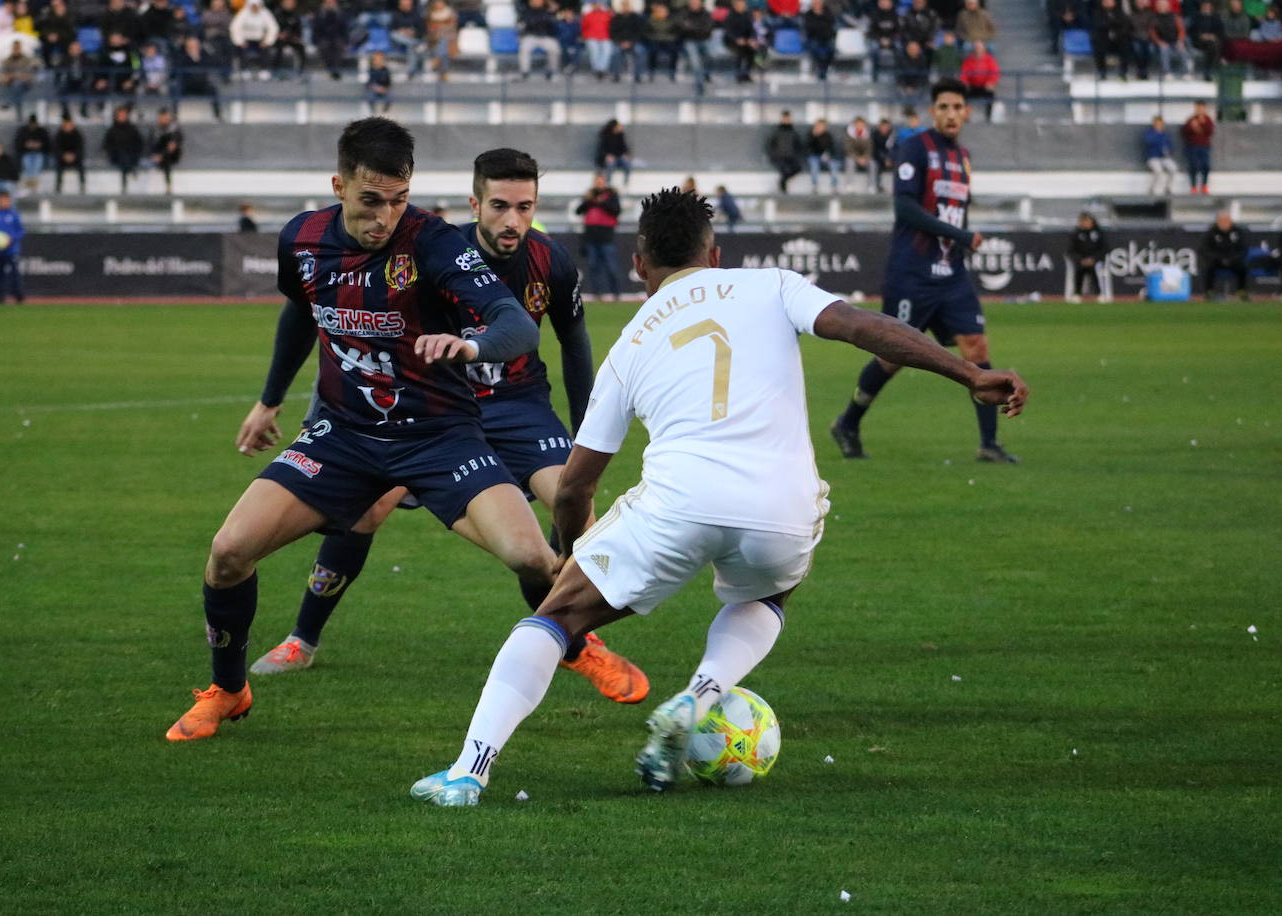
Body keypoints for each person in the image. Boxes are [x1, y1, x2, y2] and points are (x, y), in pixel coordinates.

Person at [408, 187, 1029, 806]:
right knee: (769, 592)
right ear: (716, 253)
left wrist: (575, 557)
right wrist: (970, 373)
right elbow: (868, 328)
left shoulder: (630, 343)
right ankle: (700, 696)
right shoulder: (773, 286)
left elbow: (574, 485)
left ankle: (469, 770)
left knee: (555, 619)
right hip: (782, 509)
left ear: (638, 264)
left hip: (678, 503)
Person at [163, 119, 602, 742]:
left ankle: (576, 645)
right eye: (371, 201)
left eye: (399, 199)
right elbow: (301, 314)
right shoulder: (304, 239)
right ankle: (229, 690)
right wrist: (268, 402)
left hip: (439, 434)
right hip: (344, 435)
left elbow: (519, 326)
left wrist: (471, 343)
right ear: (339, 186)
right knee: (229, 553)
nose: (386, 217)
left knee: (534, 556)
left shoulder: (434, 242)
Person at [248, 148, 647, 706]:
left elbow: (574, 345)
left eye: (525, 207)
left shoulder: (551, 261)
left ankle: (573, 635)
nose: (513, 221)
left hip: (518, 404)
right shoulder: (435, 247)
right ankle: (302, 637)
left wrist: (583, 434)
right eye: (500, 206)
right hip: (433, 406)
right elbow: (353, 333)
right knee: (367, 511)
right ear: (475, 203)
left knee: (574, 504)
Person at [832, 78, 1019, 464]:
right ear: (934, 111)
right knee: (893, 356)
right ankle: (847, 423)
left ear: (966, 112)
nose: (951, 114)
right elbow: (905, 209)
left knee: (977, 348)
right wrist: (961, 234)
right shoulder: (914, 148)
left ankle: (989, 443)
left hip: (951, 275)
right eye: (944, 107)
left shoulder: (963, 156)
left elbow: (957, 210)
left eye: (958, 107)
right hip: (912, 273)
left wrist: (958, 246)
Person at [576, 172, 621, 301]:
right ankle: (597, 294)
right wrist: (590, 201)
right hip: (591, 237)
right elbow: (579, 211)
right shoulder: (589, 196)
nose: (599, 184)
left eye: (601, 181)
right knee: (594, 268)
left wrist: (601, 202)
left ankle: (615, 294)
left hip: (606, 236)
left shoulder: (611, 195)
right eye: (597, 181)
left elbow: (616, 210)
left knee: (611, 267)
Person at [1199, 210, 1251, 299]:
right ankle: (1209, 291)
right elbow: (1204, 250)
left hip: (1234, 261)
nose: (1224, 223)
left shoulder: (1238, 232)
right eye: (1222, 221)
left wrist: (1233, 259)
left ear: (1231, 221)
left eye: (1226, 221)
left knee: (1243, 268)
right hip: (1216, 261)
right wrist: (1218, 258)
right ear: (1217, 221)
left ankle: (1242, 291)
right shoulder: (1211, 233)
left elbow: (1243, 249)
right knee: (1208, 268)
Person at [0, 190, 25, 305]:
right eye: (1, 200)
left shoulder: (14, 215)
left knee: (14, 274)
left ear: (10, 201)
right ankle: (0, 297)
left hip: (12, 250)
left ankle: (18, 296)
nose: (3, 202)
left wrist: (12, 238)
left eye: (5, 200)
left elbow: (20, 231)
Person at [173, 36, 223, 120]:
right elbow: (178, 69)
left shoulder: (204, 56)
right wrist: (191, 58)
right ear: (187, 47)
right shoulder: (183, 58)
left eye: (195, 46)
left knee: (213, 89)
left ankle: (218, 115)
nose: (193, 48)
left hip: (202, 84)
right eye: (190, 46)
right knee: (175, 89)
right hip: (187, 85)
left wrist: (198, 58)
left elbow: (216, 63)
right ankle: (174, 115)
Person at [231, 0, 279, 78]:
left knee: (267, 49)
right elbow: (235, 27)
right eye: (253, 5)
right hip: (246, 40)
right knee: (240, 50)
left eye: (257, 5)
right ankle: (244, 69)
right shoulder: (243, 13)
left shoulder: (265, 13)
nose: (255, 8)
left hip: (260, 40)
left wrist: (267, 41)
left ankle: (264, 70)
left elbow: (273, 28)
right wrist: (240, 41)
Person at [1067, 212, 1109, 301]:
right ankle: (1077, 293)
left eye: (1087, 221)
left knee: (1095, 271)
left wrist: (1094, 259)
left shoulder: (1098, 233)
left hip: (1095, 261)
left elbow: (1104, 249)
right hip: (1080, 261)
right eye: (1083, 221)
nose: (1085, 223)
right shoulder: (1076, 234)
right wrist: (1080, 259)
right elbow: (1071, 250)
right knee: (1079, 271)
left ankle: (1100, 294)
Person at [102, 105, 144, 193]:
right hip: (116, 156)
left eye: (124, 115)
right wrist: (112, 150)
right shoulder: (112, 130)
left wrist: (135, 150)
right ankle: (131, 171)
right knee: (122, 155)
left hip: (131, 155)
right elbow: (106, 144)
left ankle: (124, 185)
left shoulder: (132, 129)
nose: (122, 117)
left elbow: (139, 143)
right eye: (120, 115)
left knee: (126, 156)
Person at [0, 40, 39, 120]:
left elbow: (29, 75)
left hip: (26, 85)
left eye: (18, 48)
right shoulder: (7, 60)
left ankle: (9, 101)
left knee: (17, 83)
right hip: (11, 85)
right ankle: (16, 109)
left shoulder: (27, 60)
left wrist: (15, 76)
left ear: (20, 48)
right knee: (15, 84)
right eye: (14, 48)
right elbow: (2, 76)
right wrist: (13, 76)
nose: (16, 50)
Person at [679, 0, 715, 90]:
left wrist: (693, 27)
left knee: (710, 55)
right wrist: (698, 28)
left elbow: (708, 28)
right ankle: (699, 83)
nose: (694, 4)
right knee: (695, 62)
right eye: (692, 2)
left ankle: (706, 75)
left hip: (704, 40)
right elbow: (683, 27)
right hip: (690, 41)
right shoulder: (684, 14)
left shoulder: (706, 14)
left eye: (696, 2)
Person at [519, 0, 561, 79]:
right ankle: (525, 72)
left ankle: (552, 71)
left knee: (554, 49)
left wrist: (548, 3)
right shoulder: (526, 11)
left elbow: (555, 8)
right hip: (531, 36)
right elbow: (523, 24)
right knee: (524, 48)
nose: (537, 2)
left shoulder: (547, 11)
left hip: (545, 36)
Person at [1092, 0, 1133, 80]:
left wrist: (1111, 24)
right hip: (1103, 39)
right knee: (1098, 47)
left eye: (1110, 1)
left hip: (1118, 39)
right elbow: (1099, 25)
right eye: (1106, 1)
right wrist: (1113, 24)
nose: (1108, 3)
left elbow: (1125, 25)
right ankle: (1102, 72)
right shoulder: (1098, 12)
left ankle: (1123, 72)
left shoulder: (1120, 12)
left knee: (1125, 45)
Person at [767, 110, 805, 194]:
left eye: (788, 118)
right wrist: (774, 155)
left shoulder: (793, 132)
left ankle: (783, 182)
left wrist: (796, 155)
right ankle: (783, 187)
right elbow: (771, 145)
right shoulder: (777, 132)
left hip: (791, 156)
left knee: (797, 168)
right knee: (784, 170)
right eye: (785, 118)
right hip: (779, 157)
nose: (786, 120)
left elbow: (798, 145)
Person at [609, 0, 648, 83]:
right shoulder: (616, 18)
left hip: (633, 42)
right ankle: (616, 75)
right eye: (624, 6)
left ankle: (638, 75)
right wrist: (620, 42)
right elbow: (612, 32)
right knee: (615, 53)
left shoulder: (636, 18)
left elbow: (640, 32)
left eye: (627, 6)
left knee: (640, 51)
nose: (626, 7)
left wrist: (631, 42)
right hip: (619, 42)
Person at [960, 39, 999, 121]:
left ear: (984, 48)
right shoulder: (968, 60)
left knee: (990, 94)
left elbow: (994, 73)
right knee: (963, 94)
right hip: (972, 86)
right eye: (976, 47)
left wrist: (991, 82)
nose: (978, 49)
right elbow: (964, 74)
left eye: (980, 47)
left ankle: (988, 117)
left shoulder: (990, 60)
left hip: (985, 86)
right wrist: (965, 83)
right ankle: (966, 117)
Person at [13, 115, 50, 197]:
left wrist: (40, 145)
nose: (33, 126)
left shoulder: (42, 131)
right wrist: (26, 145)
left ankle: (30, 187)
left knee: (36, 165)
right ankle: (33, 187)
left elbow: (48, 145)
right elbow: (18, 144)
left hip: (39, 153)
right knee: (28, 165)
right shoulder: (23, 131)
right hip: (26, 153)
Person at [1181, 100, 1214, 194]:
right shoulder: (1191, 119)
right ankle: (1193, 187)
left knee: (1206, 166)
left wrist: (1201, 124)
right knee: (1193, 166)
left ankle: (1204, 185)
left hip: (1204, 146)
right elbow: (1184, 132)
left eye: (1201, 107)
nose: (1199, 109)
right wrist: (1192, 127)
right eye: (1198, 107)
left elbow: (1210, 131)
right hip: (1193, 146)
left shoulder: (1207, 119)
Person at [722, 0, 758, 83]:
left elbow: (752, 29)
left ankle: (746, 73)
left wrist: (752, 39)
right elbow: (728, 32)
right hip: (732, 41)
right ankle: (738, 74)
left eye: (744, 4)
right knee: (740, 51)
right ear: (735, 5)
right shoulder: (730, 16)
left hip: (745, 40)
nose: (743, 6)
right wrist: (736, 39)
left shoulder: (748, 15)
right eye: (740, 4)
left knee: (752, 50)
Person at [148, 107, 183, 194]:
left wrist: (161, 154)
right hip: (159, 153)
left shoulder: (174, 129)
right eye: (161, 118)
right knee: (163, 156)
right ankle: (168, 186)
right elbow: (151, 143)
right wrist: (154, 154)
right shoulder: (155, 129)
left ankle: (168, 186)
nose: (163, 120)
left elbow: (176, 142)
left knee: (167, 156)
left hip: (172, 154)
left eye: (165, 118)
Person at [801, 0, 837, 80]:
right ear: (813, 4)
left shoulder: (828, 13)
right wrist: (821, 26)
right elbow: (809, 28)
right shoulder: (808, 14)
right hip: (814, 38)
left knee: (832, 48)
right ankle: (821, 68)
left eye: (819, 3)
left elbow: (831, 26)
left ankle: (824, 67)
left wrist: (820, 26)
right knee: (814, 48)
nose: (818, 5)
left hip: (826, 37)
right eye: (816, 3)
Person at [644, 2, 681, 81]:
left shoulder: (672, 21)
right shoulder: (650, 21)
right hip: (655, 40)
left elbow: (676, 33)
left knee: (674, 51)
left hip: (668, 41)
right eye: (659, 11)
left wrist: (670, 38)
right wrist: (654, 37)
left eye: (664, 11)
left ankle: (672, 72)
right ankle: (651, 71)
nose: (662, 13)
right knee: (652, 51)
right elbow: (647, 33)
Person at [313, 0, 349, 80]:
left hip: (337, 38)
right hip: (323, 38)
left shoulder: (340, 14)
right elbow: (316, 29)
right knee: (324, 46)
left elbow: (344, 29)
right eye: (328, 3)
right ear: (324, 4)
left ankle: (335, 70)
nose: (330, 5)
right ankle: (331, 69)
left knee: (339, 45)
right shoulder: (319, 14)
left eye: (332, 3)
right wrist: (315, 41)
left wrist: (346, 42)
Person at [868, 0, 902, 82]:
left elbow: (898, 31)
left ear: (891, 4)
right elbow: (871, 31)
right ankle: (874, 74)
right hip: (878, 39)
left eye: (887, 2)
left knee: (899, 47)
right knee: (873, 47)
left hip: (892, 40)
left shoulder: (896, 15)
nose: (885, 4)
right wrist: (880, 39)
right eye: (882, 2)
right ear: (879, 3)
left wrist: (890, 40)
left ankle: (897, 74)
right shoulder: (874, 14)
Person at [1143, 114, 1177, 195]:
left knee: (1173, 168)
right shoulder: (1149, 133)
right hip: (1153, 157)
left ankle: (1167, 188)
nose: (1159, 125)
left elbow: (1170, 145)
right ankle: (1152, 189)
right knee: (1158, 171)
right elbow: (1148, 141)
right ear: (1154, 123)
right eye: (1157, 123)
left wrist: (1169, 152)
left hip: (1164, 157)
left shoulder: (1165, 134)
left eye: (1160, 123)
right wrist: (1157, 134)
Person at [1191, 1, 1225, 80]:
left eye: (1208, 5)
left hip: (1212, 42)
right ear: (1201, 6)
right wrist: (1201, 36)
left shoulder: (1216, 18)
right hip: (1198, 41)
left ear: (1211, 7)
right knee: (1214, 46)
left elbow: (1220, 31)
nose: (1206, 7)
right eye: (1204, 5)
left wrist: (1213, 36)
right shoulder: (1196, 17)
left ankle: (1209, 71)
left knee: (1214, 45)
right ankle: (1210, 70)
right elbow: (1191, 31)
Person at [582, 1, 614, 80]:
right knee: (595, 52)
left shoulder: (607, 14)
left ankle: (602, 70)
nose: (597, 6)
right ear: (592, 6)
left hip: (605, 36)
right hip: (592, 37)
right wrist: (586, 36)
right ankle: (597, 70)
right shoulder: (588, 15)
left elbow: (611, 26)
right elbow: (584, 28)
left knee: (607, 51)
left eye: (599, 4)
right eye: (595, 4)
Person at [806, 118, 839, 194]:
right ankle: (815, 185)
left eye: (822, 126)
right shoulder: (811, 135)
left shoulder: (828, 135)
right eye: (819, 126)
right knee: (814, 164)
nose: (820, 127)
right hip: (814, 156)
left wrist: (827, 155)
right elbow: (808, 148)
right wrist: (814, 136)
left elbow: (831, 148)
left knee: (834, 165)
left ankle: (834, 186)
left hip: (826, 157)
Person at [595, 118, 632, 186]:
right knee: (610, 164)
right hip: (609, 158)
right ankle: (608, 182)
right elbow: (601, 149)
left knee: (627, 164)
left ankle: (626, 182)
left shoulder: (620, 136)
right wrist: (607, 156)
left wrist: (625, 154)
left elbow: (624, 147)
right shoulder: (605, 136)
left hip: (618, 157)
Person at [54, 115, 86, 193]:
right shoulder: (59, 135)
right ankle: (58, 186)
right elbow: (56, 148)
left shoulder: (77, 135)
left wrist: (74, 156)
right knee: (59, 167)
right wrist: (63, 155)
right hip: (63, 158)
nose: (68, 126)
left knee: (81, 166)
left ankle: (82, 185)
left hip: (75, 157)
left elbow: (80, 148)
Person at [843, 116, 874, 193]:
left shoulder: (868, 135)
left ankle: (871, 185)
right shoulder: (849, 134)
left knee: (873, 164)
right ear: (854, 125)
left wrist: (864, 158)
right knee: (849, 162)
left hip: (865, 158)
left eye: (861, 124)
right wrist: (858, 158)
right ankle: (849, 185)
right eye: (858, 124)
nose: (859, 126)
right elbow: (848, 149)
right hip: (853, 157)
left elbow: (869, 149)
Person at [871, 117, 896, 193]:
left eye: (886, 126)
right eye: (882, 126)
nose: (884, 128)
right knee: (874, 165)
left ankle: (895, 187)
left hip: (890, 158)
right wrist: (884, 159)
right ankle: (878, 186)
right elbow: (874, 149)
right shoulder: (874, 135)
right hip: (878, 158)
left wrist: (890, 158)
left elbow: (894, 148)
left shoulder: (893, 136)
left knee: (898, 164)